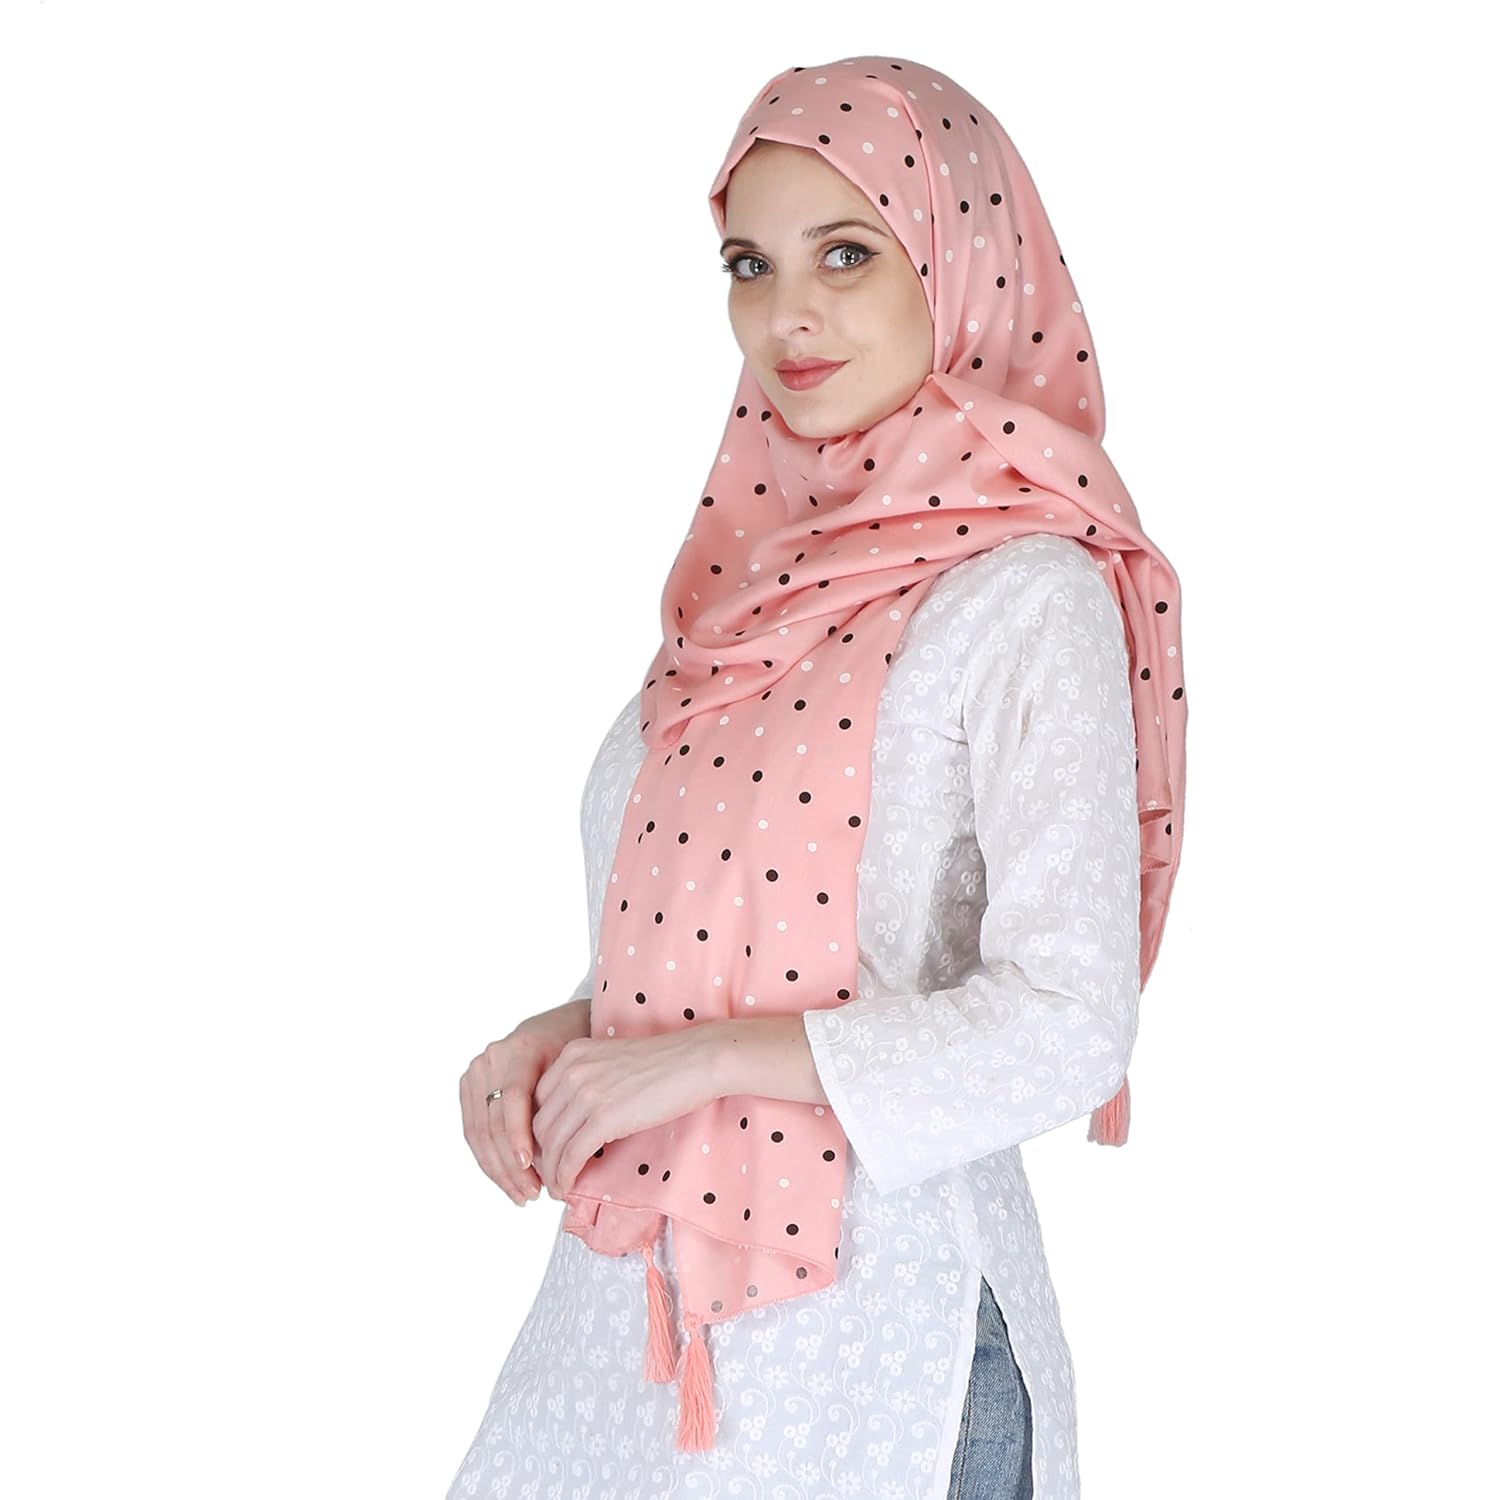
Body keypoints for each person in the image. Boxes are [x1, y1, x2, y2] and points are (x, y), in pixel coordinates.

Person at [449, 54, 1185, 1500]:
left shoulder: (1021, 595)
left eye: (846, 253)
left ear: (962, 264)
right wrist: (573, 1029)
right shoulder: (737, 595)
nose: (786, 313)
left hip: (881, 1361)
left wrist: (711, 1059)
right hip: (620, 1362)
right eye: (751, 264)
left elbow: (1069, 1022)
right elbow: (728, 938)